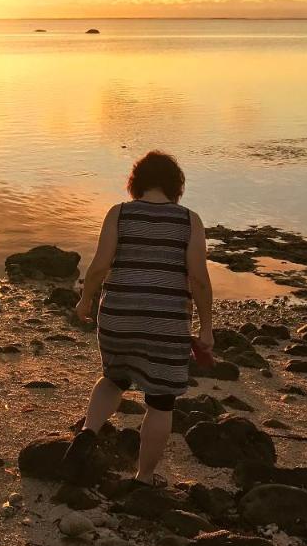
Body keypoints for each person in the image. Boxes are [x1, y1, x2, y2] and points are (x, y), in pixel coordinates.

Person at [62, 150, 213, 484]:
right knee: (160, 403)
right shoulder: (190, 221)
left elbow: (100, 265)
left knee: (114, 378)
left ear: (136, 183)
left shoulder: (119, 214)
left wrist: (85, 300)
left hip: (118, 316)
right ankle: (143, 478)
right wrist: (206, 326)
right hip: (167, 322)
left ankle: (88, 432)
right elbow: (199, 279)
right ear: (176, 186)